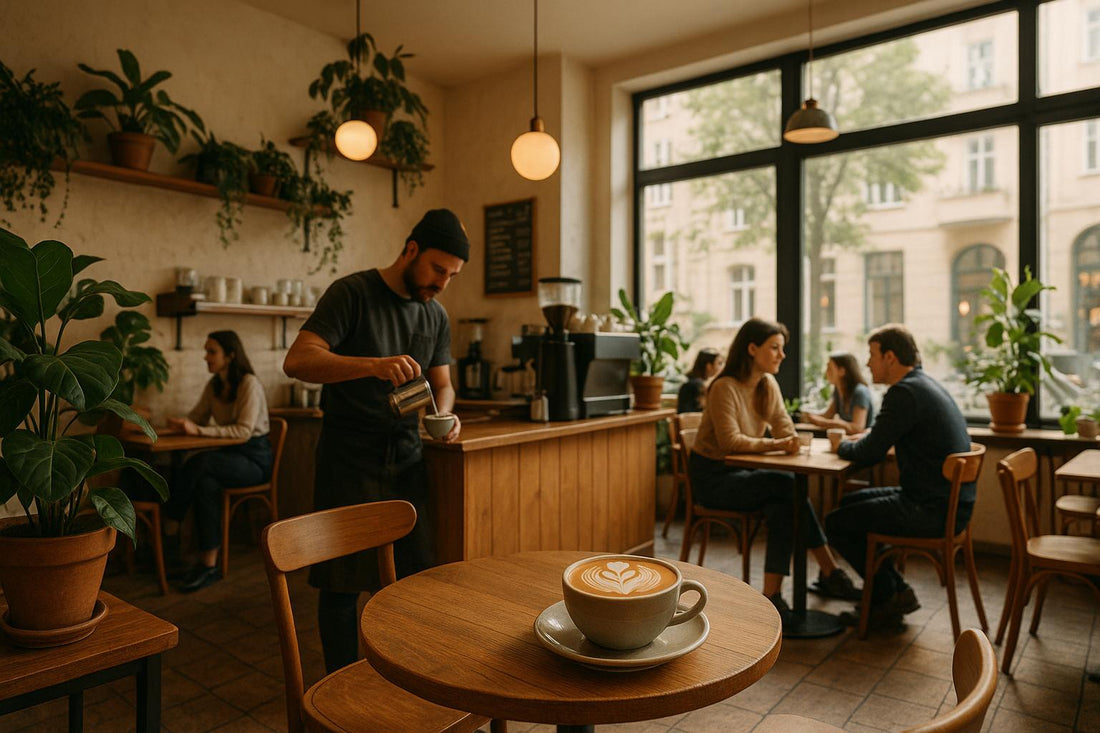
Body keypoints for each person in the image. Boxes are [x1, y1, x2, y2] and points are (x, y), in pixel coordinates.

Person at [283, 208, 467, 673]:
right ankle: (340, 684)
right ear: (411, 250)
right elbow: (298, 360)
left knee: (412, 579)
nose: (443, 283)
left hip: (406, 461)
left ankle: (403, 678)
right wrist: (372, 365)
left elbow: (443, 382)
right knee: (341, 584)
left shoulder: (435, 314)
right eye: (438, 269)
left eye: (452, 275)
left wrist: (445, 412)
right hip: (348, 457)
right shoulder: (352, 293)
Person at [688, 317, 860, 626]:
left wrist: (789, 440)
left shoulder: (767, 385)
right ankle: (830, 572)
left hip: (745, 473)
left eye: (782, 348)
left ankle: (773, 596)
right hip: (714, 478)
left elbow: (784, 427)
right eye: (775, 348)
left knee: (784, 501)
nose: (782, 355)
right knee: (785, 486)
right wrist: (779, 444)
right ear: (752, 349)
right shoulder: (724, 387)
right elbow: (730, 442)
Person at [825, 324, 972, 633]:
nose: (867, 363)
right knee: (849, 504)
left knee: (838, 522)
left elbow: (869, 453)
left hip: (929, 509)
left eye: (872, 355)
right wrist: (866, 439)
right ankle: (895, 592)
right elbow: (883, 437)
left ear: (890, 357)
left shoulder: (904, 393)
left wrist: (841, 446)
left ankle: (885, 597)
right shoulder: (923, 384)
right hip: (948, 504)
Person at [165, 331, 273, 593]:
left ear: (230, 355)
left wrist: (198, 431)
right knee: (205, 484)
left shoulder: (249, 383)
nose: (206, 357)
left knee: (200, 463)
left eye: (211, 351)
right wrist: (180, 424)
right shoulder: (214, 385)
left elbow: (243, 431)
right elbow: (197, 418)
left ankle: (171, 522)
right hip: (230, 458)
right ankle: (208, 565)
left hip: (254, 460)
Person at [804, 352, 875, 434]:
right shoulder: (838, 391)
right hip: (849, 439)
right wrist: (807, 415)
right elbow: (828, 416)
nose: (826, 373)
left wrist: (824, 422)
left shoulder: (860, 392)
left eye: (829, 368)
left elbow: (857, 428)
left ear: (842, 371)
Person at [677, 348, 722, 413]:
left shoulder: (691, 382)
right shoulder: (698, 386)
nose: (721, 367)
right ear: (709, 366)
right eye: (719, 363)